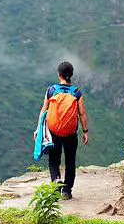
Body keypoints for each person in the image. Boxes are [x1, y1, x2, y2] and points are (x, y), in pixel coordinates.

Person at [34, 61, 88, 200]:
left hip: (54, 132)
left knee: (53, 160)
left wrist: (38, 129)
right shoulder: (76, 93)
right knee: (70, 161)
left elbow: (44, 110)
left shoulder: (51, 90)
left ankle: (56, 183)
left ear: (59, 75)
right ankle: (67, 190)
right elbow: (82, 113)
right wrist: (85, 131)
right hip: (70, 133)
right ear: (71, 75)